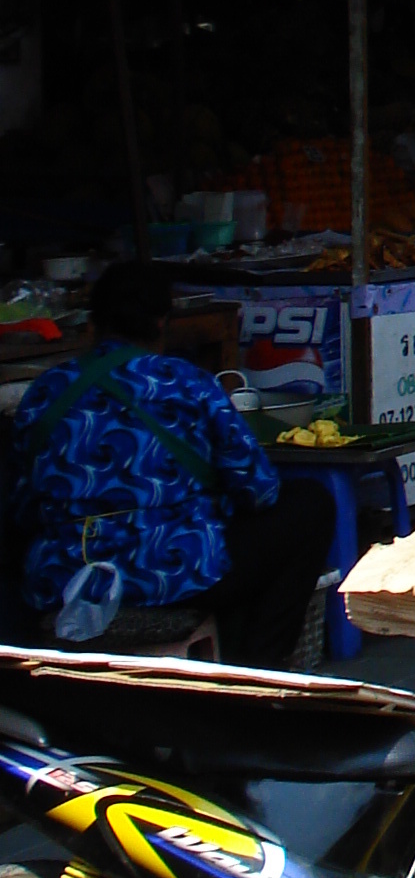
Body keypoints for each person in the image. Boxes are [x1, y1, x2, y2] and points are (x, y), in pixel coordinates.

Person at [10, 262, 333, 663]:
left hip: (64, 577)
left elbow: (22, 508)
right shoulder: (187, 381)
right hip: (173, 573)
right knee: (310, 504)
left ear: (92, 325)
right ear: (162, 323)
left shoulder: (45, 391)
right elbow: (260, 489)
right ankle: (260, 668)